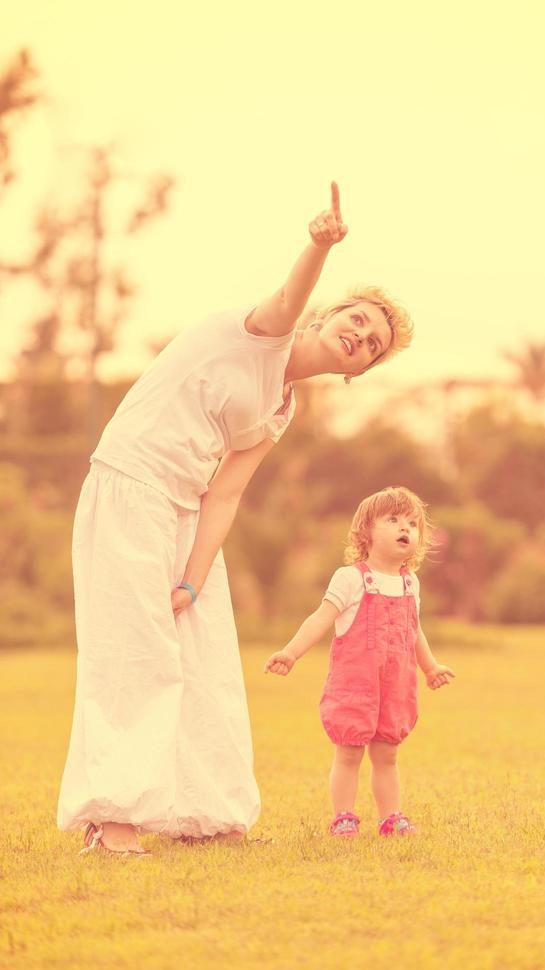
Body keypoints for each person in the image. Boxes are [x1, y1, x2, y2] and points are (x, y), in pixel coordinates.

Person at [58, 183, 414, 855]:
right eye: (358, 320)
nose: (360, 336)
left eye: (371, 344)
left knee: (206, 661)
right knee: (136, 655)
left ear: (358, 371)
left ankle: (206, 815)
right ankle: (113, 823)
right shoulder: (261, 332)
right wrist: (319, 243)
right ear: (328, 313)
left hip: (185, 511)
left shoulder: (281, 408)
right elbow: (285, 300)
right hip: (131, 486)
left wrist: (192, 584)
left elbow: (225, 495)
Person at [264, 486, 455, 837]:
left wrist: (430, 668)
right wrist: (291, 653)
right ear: (366, 531)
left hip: (395, 687)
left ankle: (391, 817)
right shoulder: (351, 578)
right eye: (393, 520)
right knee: (349, 753)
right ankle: (344, 816)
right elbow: (321, 618)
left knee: (387, 755)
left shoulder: (410, 583)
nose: (405, 528)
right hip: (356, 686)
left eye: (412, 524)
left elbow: (414, 630)